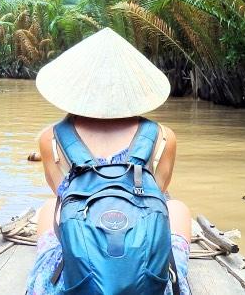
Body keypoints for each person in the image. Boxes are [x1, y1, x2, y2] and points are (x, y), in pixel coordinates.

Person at [26, 28, 192, 295]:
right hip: (145, 282)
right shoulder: (162, 137)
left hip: (78, 278)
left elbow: (63, 195)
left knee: (48, 208)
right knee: (178, 209)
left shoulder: (51, 138)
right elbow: (156, 195)